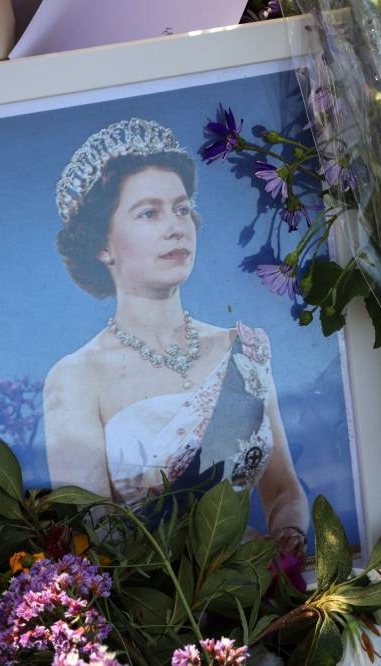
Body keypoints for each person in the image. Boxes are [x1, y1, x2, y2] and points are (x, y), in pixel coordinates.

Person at [44, 118, 308, 555]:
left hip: (262, 598)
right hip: (156, 613)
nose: (176, 227)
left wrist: (287, 539)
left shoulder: (241, 350)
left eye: (182, 209)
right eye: (149, 213)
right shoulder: (77, 377)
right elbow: (88, 540)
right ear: (102, 245)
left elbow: (283, 493)